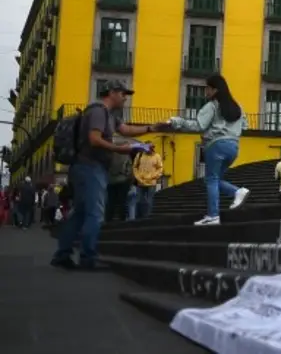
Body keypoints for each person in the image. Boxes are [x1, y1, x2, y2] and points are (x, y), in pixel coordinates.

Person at [52, 80, 155, 270]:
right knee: (95, 214)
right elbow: (94, 139)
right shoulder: (98, 111)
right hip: (90, 167)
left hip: (87, 168)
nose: (125, 98)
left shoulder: (109, 115)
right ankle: (88, 258)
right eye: (124, 94)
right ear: (112, 93)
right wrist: (120, 149)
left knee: (80, 214)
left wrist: (151, 128)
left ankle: (63, 254)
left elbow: (126, 130)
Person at [159, 74, 250, 226]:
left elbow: (199, 126)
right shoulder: (238, 106)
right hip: (233, 147)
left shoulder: (212, 106)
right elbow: (245, 126)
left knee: (211, 180)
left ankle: (215, 214)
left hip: (216, 146)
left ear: (214, 90)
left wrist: (177, 122)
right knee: (214, 179)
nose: (205, 91)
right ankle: (237, 193)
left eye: (207, 88)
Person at [131, 144, 164, 219]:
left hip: (151, 183)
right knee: (139, 200)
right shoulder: (140, 155)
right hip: (140, 182)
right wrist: (138, 177)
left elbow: (160, 168)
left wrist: (153, 176)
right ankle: (138, 217)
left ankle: (147, 217)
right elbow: (135, 167)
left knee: (149, 201)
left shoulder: (157, 156)